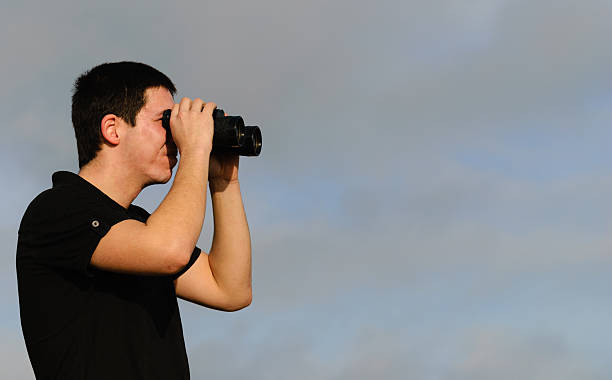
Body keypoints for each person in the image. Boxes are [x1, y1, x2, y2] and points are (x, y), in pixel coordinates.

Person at [16, 61, 252, 379]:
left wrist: (224, 181)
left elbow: (231, 289)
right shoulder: (57, 210)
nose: (176, 137)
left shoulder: (138, 226)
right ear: (112, 129)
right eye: (165, 121)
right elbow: (168, 252)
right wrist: (196, 148)